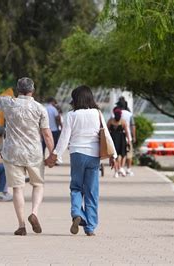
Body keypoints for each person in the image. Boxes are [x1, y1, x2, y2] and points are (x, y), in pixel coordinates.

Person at [0, 77, 54, 236]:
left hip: (13, 153)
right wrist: (53, 153)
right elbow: (47, 134)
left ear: (17, 90)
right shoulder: (39, 108)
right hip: (33, 153)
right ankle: (34, 213)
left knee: (17, 188)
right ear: (32, 90)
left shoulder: (9, 103)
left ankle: (21, 225)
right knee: (38, 185)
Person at [46, 85, 118, 236]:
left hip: (77, 154)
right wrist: (113, 155)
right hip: (93, 156)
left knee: (76, 187)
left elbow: (64, 137)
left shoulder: (71, 115)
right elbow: (106, 135)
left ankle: (77, 213)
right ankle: (90, 227)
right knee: (92, 191)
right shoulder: (97, 113)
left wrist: (55, 155)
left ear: (76, 99)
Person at [116, 97, 136, 176]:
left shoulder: (116, 113)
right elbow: (133, 126)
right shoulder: (129, 114)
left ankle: (119, 168)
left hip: (117, 136)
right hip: (127, 136)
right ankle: (128, 169)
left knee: (119, 153)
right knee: (129, 153)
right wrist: (134, 136)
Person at [107, 108, 130, 178]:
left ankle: (116, 171)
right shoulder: (123, 121)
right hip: (121, 139)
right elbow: (126, 132)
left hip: (113, 139)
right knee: (123, 154)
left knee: (115, 156)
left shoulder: (110, 121)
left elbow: (107, 131)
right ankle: (121, 168)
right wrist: (128, 140)